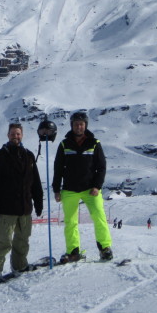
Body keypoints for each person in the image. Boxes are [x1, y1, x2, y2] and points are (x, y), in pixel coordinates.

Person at [0, 122, 44, 285]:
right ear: (8, 135)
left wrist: (38, 202)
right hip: (6, 208)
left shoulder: (29, 156)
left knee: (22, 240)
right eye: (12, 133)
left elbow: (35, 182)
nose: (15, 136)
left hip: (24, 207)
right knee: (3, 241)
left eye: (18, 134)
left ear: (22, 135)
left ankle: (20, 265)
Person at [53, 111, 113, 262]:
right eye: (76, 124)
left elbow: (102, 167)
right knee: (70, 222)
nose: (79, 127)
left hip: (90, 189)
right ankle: (73, 252)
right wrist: (56, 189)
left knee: (99, 218)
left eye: (81, 124)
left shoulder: (94, 143)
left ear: (85, 125)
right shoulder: (64, 144)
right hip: (69, 190)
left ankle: (105, 248)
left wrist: (97, 186)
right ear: (72, 126)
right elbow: (58, 168)